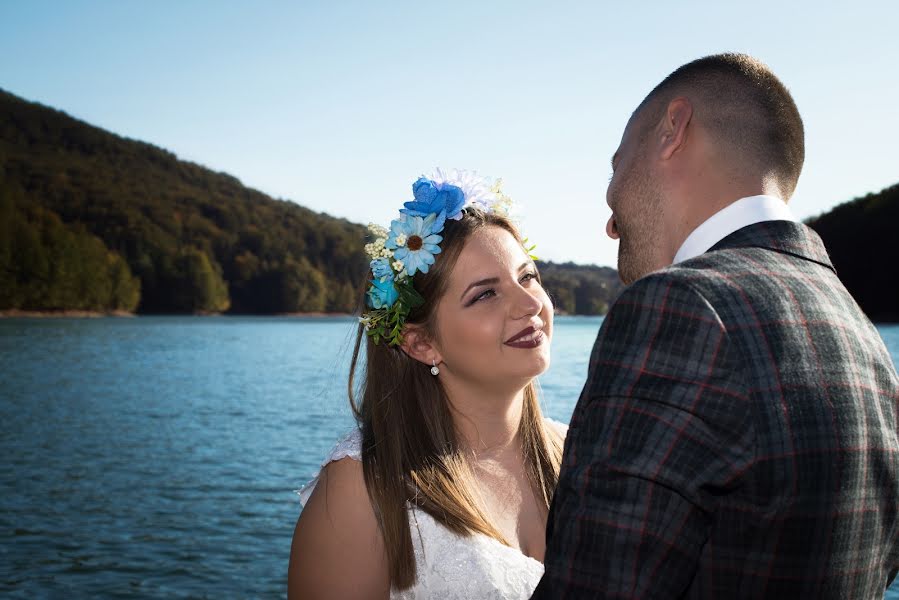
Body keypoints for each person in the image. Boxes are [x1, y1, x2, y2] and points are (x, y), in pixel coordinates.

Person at [533, 53, 899, 598]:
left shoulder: (681, 305)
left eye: (617, 168)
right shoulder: (862, 337)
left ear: (673, 130)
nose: (610, 220)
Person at [288, 169, 566, 599]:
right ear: (421, 343)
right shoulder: (365, 491)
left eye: (527, 277)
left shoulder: (583, 452)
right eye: (485, 295)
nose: (531, 304)